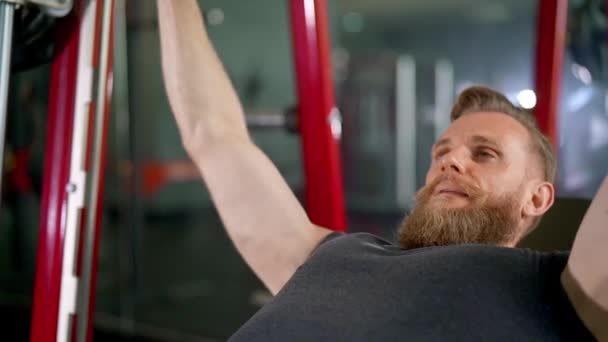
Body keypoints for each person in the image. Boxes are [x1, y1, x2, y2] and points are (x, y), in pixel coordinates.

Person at [156, 1, 606, 340]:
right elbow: (214, 137)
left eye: (484, 153)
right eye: (440, 152)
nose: (450, 161)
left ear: (538, 198)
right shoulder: (326, 255)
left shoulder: (565, 292)